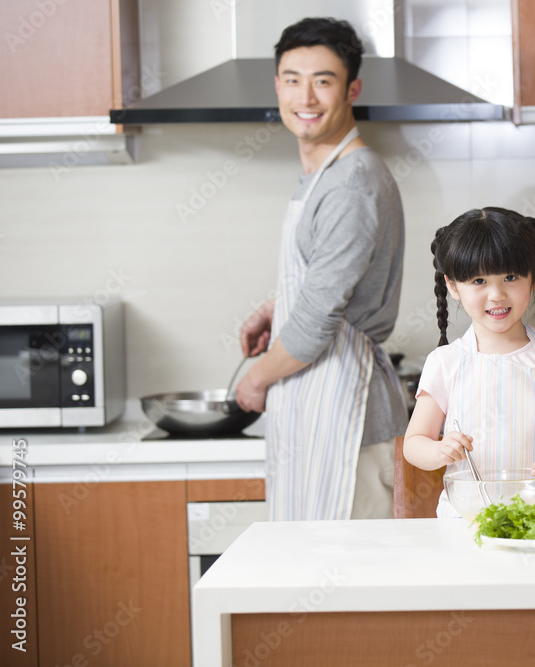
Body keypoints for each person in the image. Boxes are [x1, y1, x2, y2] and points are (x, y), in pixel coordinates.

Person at [235, 17, 407, 521]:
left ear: (352, 88)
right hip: (319, 413)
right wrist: (276, 307)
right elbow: (326, 283)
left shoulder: (351, 183)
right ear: (277, 85)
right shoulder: (322, 176)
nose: (305, 97)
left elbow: (314, 322)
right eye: (292, 79)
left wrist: (255, 380)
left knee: (352, 584)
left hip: (350, 421)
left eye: (323, 80)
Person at [403, 207, 535, 518]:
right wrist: (439, 450)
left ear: (533, 278)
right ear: (453, 286)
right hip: (464, 525)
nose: (497, 294)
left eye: (510, 277)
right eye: (479, 280)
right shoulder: (445, 362)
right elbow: (413, 444)